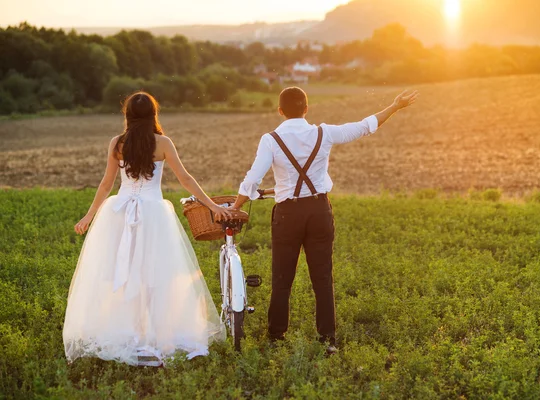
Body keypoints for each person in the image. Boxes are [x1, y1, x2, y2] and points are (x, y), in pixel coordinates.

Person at [230, 87, 419, 353]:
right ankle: (328, 339)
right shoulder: (324, 132)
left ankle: (276, 336)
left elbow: (253, 179)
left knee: (282, 277)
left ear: (280, 111)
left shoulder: (270, 140)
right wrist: (395, 106)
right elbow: (364, 126)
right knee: (322, 277)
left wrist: (235, 206)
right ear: (307, 109)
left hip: (288, 215)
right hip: (320, 211)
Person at [63, 92, 231, 366]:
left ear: (127, 115)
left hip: (120, 213)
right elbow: (185, 178)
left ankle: (134, 333)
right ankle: (150, 335)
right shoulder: (163, 143)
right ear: (154, 114)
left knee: (126, 274)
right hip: (154, 214)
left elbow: (107, 184)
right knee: (155, 275)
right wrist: (212, 206)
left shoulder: (117, 144)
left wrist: (90, 216)